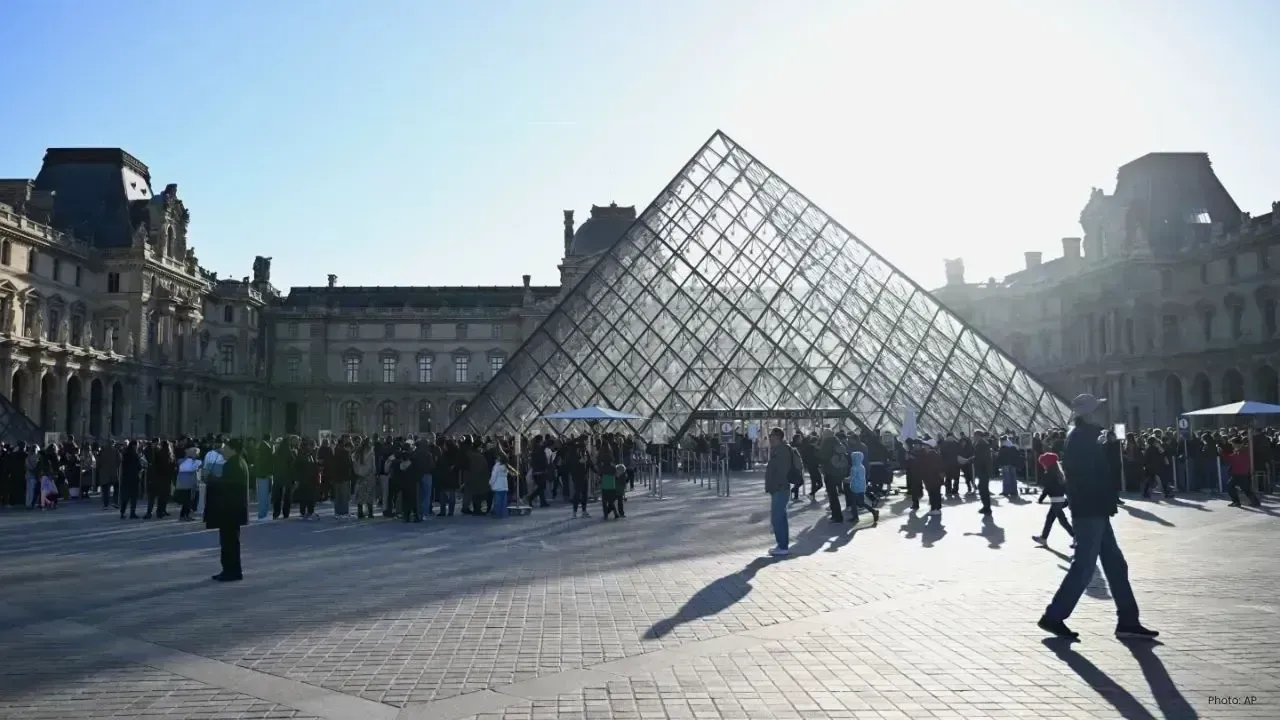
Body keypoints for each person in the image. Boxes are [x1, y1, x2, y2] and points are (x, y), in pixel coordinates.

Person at [1039, 394, 1158, 641]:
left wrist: (1111, 445)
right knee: (1084, 566)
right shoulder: (1083, 438)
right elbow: (1095, 475)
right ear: (1090, 413)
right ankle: (1054, 616)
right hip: (1090, 510)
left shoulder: (1086, 436)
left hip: (1096, 509)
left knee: (1115, 565)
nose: (1105, 411)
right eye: (1099, 408)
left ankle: (1128, 620)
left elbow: (1102, 472)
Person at [206, 438, 249, 582]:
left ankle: (231, 571)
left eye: (226, 448)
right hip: (235, 509)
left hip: (229, 510)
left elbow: (228, 486)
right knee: (231, 541)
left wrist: (212, 480)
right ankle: (230, 570)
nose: (223, 451)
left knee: (228, 542)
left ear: (233, 449)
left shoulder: (232, 464)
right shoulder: (239, 461)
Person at [764, 427, 800, 557]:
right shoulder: (780, 450)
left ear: (777, 437)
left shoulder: (782, 451)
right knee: (781, 517)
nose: (769, 438)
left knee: (777, 518)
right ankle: (782, 544)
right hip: (780, 488)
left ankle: (783, 546)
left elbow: (782, 471)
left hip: (780, 488)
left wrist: (776, 485)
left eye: (771, 435)